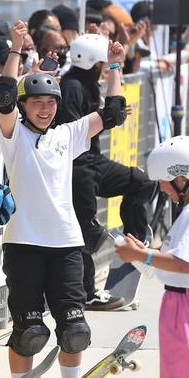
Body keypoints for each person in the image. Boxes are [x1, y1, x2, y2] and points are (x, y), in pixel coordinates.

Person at [0, 20, 126, 378]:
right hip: (24, 245)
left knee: (74, 329)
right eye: (38, 103)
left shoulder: (67, 134)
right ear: (25, 107)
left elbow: (114, 113)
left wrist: (116, 67)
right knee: (29, 330)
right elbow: (2, 94)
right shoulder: (13, 135)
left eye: (50, 103)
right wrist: (17, 48)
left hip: (67, 244)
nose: (46, 108)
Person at [115, 135, 189, 378]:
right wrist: (144, 256)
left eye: (165, 183)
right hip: (187, 305)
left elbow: (185, 264)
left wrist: (141, 254)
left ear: (181, 177)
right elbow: (172, 268)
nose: (163, 190)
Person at [56, 33, 155, 310]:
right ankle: (86, 293)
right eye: (103, 64)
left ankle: (134, 233)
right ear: (93, 63)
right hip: (77, 168)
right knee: (84, 232)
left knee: (141, 182)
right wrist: (107, 113)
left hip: (93, 162)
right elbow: (74, 130)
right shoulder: (73, 87)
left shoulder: (84, 84)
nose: (104, 70)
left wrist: (109, 112)